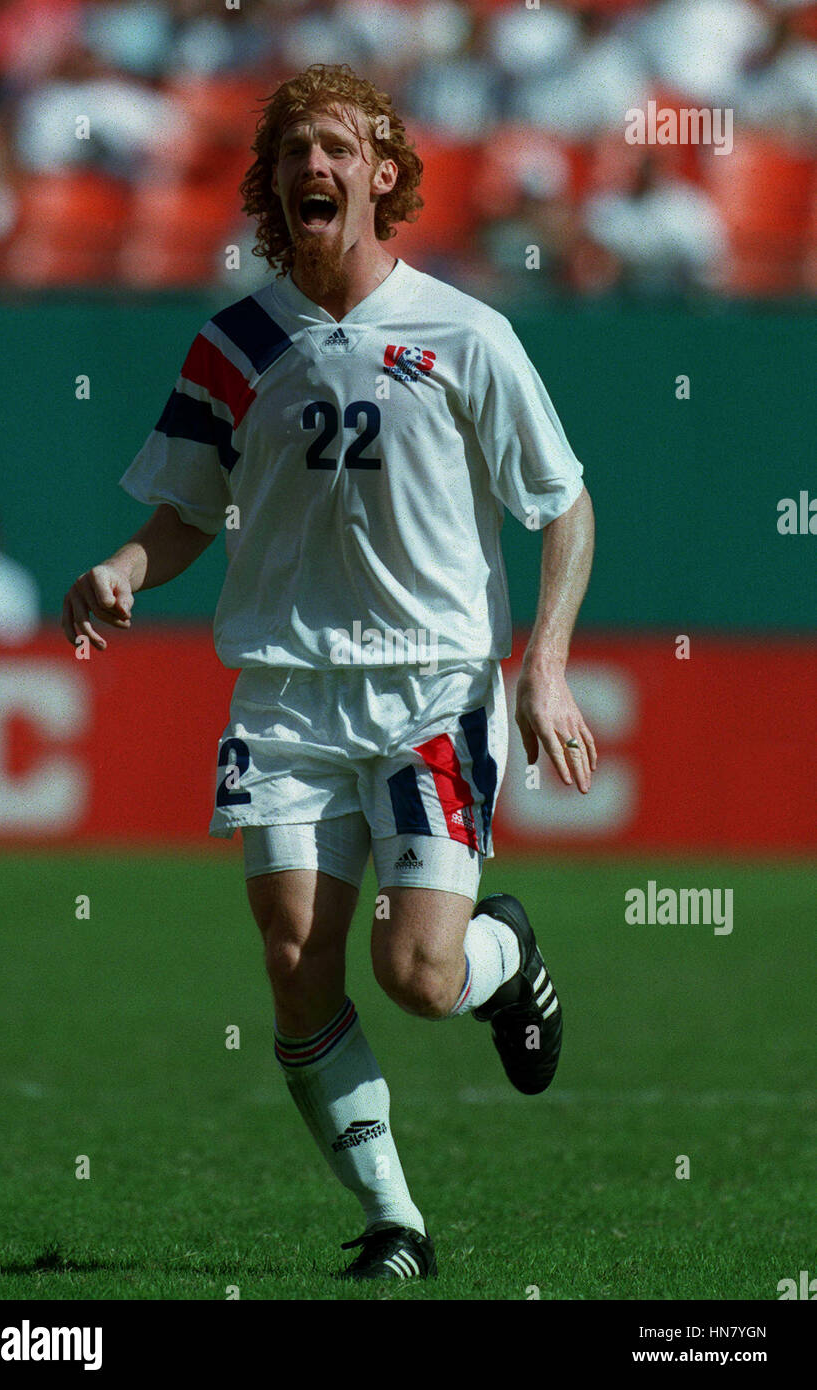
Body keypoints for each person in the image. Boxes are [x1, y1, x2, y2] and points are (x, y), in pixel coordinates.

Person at [61, 63, 596, 1282]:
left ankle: (503, 960)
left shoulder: (469, 333)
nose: (317, 165)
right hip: (288, 696)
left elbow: (561, 508)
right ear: (270, 182)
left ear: (384, 175)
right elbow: (190, 509)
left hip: (431, 691)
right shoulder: (235, 342)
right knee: (293, 962)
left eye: (340, 148)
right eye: (296, 148)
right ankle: (392, 1223)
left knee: (415, 976)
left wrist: (545, 666)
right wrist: (127, 564)